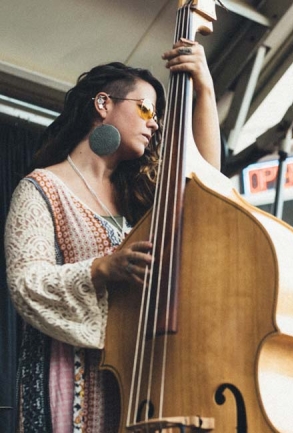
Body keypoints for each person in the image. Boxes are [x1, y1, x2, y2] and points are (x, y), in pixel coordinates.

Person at [4, 38, 220, 432]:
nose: (155, 122)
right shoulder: (40, 189)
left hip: (138, 376)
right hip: (66, 377)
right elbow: (26, 282)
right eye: (145, 109)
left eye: (157, 114)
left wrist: (203, 84)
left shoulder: (138, 196)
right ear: (103, 105)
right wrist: (102, 269)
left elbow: (208, 182)